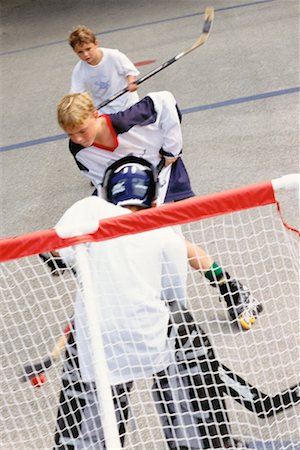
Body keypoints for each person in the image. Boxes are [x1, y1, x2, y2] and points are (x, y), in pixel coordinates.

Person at [53, 155, 246, 449]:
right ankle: (202, 439)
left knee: (92, 402)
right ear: (153, 198)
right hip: (153, 339)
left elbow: (53, 251)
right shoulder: (164, 231)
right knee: (184, 339)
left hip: (98, 345)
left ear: (107, 191)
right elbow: (173, 298)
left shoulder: (89, 209)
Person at [56, 90, 262, 329]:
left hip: (163, 179)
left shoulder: (129, 119)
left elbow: (165, 101)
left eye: (82, 130)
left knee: (170, 243)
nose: (78, 138)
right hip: (130, 195)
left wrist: (172, 149)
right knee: (157, 245)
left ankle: (232, 292)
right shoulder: (80, 151)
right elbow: (102, 182)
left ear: (96, 114)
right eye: (71, 134)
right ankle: (225, 291)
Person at [68, 25, 139, 114]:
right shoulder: (79, 70)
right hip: (104, 110)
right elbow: (76, 94)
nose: (85, 54)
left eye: (88, 49)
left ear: (96, 44)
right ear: (75, 52)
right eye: (80, 52)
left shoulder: (113, 55)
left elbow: (130, 71)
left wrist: (131, 82)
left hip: (128, 104)